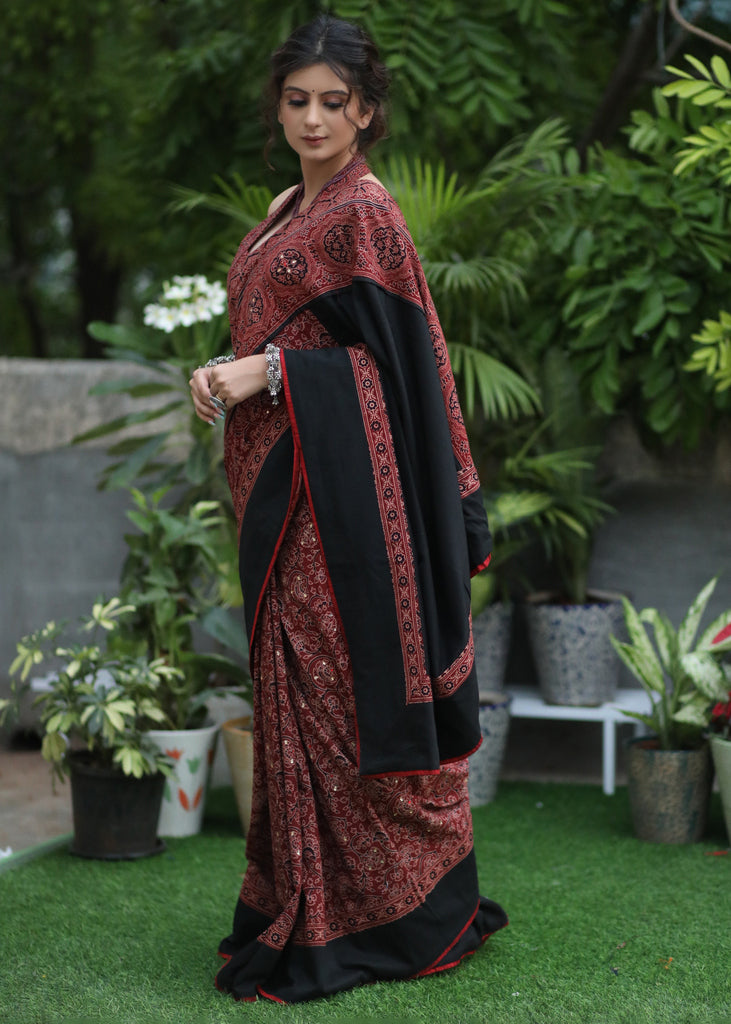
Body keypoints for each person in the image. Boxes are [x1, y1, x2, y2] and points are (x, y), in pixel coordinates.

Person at [189, 14, 507, 1005]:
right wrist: (228, 376)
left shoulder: (364, 213)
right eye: (298, 100)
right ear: (277, 106)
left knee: (347, 698)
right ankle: (306, 903)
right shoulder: (293, 201)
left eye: (334, 101)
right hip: (283, 500)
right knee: (294, 696)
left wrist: (271, 371)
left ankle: (403, 910)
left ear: (366, 111)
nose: (314, 117)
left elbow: (403, 371)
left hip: (340, 517)